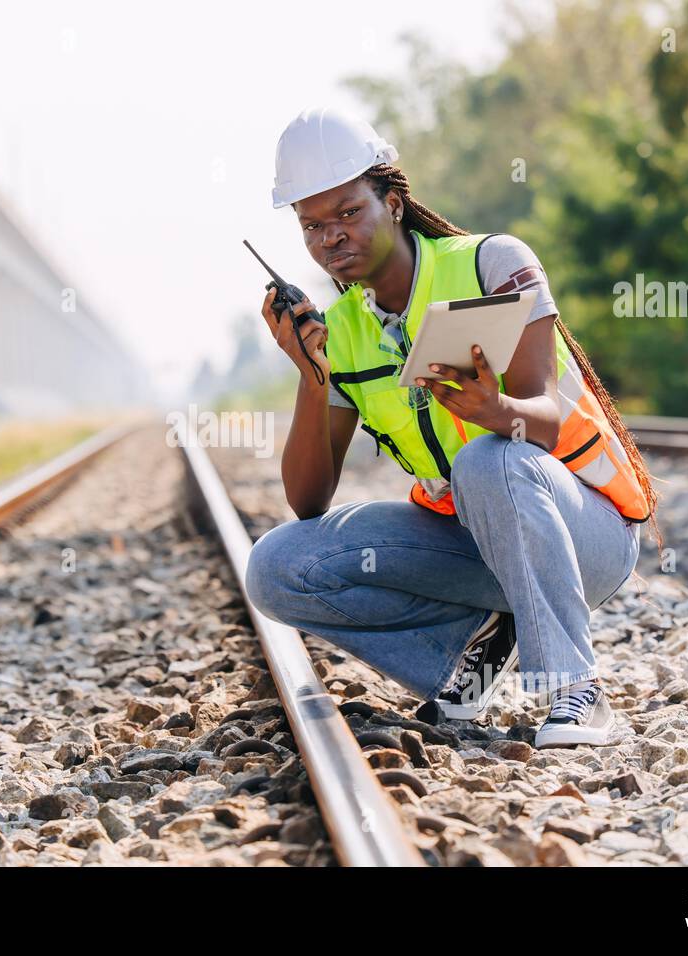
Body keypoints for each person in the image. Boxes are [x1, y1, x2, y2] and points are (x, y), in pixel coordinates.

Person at [243, 106, 663, 748]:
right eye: (312, 226)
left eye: (349, 213)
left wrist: (494, 414)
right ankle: (472, 651)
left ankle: (574, 689)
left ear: (393, 202)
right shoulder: (345, 331)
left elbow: (545, 421)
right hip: (477, 546)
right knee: (277, 565)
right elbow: (307, 501)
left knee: (489, 460)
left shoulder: (492, 266)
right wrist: (311, 376)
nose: (332, 238)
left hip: (587, 535)